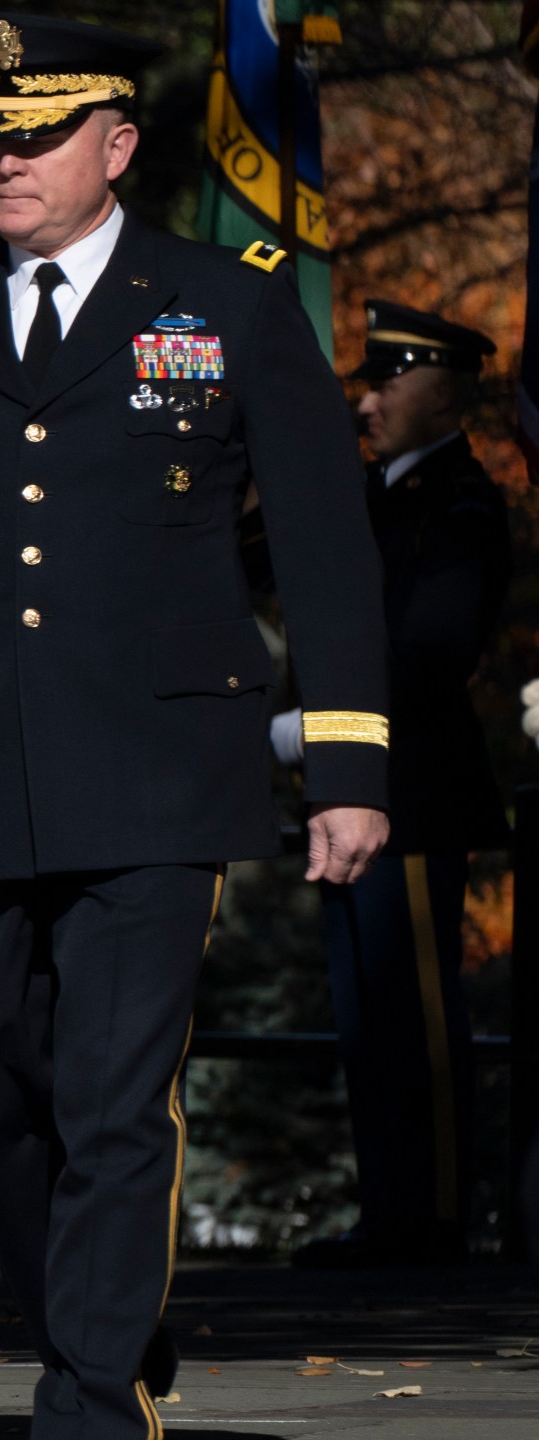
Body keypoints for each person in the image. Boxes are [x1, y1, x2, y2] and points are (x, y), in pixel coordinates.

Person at [0, 16, 392, 1439]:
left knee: (117, 1102)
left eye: (38, 133)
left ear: (116, 146)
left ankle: (86, 1394)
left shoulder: (228, 303)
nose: (3, 158)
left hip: (155, 770)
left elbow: (323, 543)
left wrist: (351, 765)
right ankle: (102, 1312)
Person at [283, 302, 508, 1269]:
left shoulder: (458, 502)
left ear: (446, 390)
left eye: (388, 382)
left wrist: (319, 725)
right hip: (355, 783)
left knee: (413, 1017)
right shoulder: (371, 496)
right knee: (367, 1018)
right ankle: (393, 1214)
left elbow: (431, 649)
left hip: (410, 789)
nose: (367, 403)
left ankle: (435, 1219)